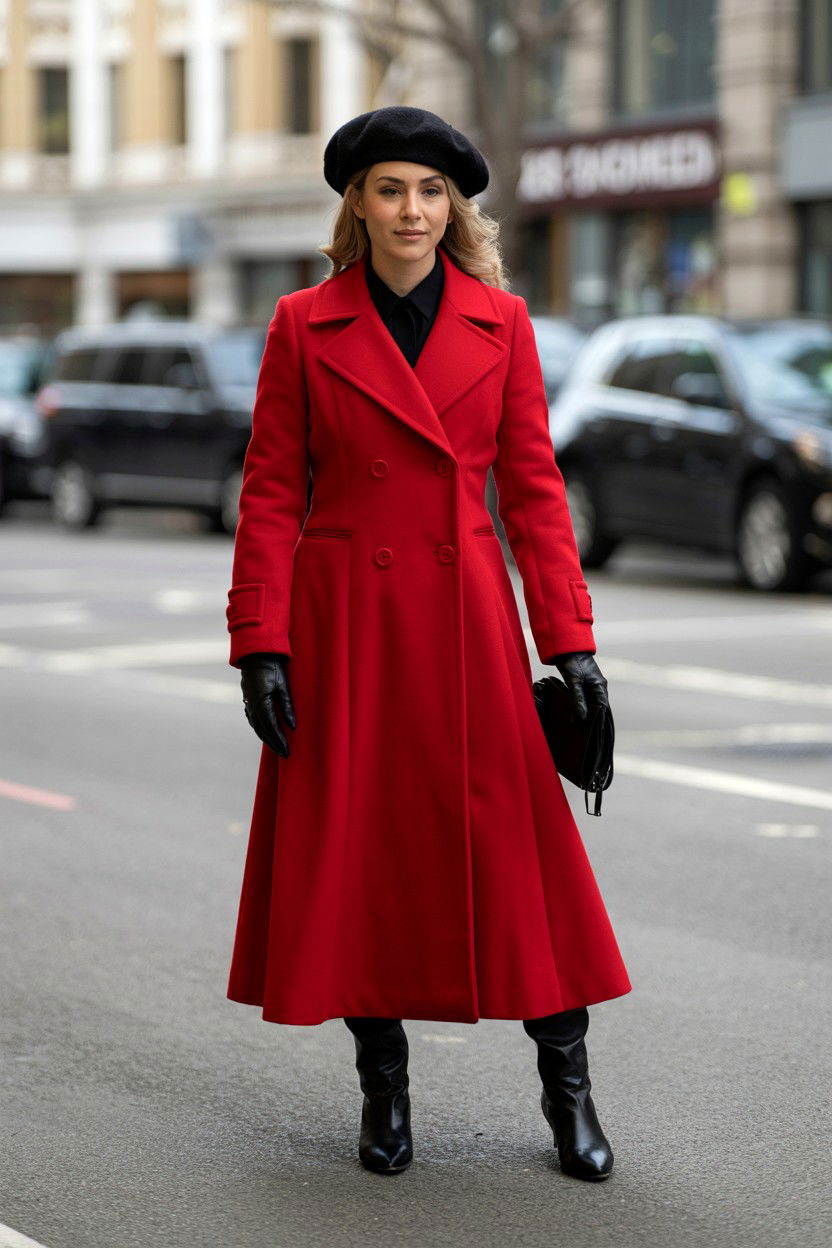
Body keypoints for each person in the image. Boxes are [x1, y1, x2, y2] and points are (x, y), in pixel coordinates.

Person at [225, 106, 632, 1181]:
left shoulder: (501, 324)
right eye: (392, 188)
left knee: (522, 862)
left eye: (431, 192)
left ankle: (568, 1089)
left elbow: (536, 495)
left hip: (463, 631)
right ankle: (383, 1087)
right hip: (348, 627)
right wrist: (261, 641)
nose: (413, 210)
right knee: (363, 864)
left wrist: (572, 647)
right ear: (355, 202)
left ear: (454, 208)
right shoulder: (301, 323)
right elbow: (269, 489)